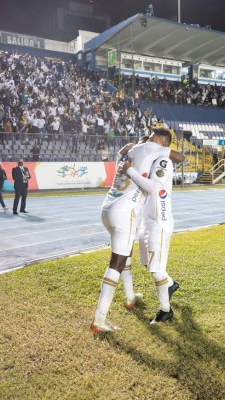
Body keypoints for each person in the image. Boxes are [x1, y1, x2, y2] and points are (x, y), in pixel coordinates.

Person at [90, 127, 185, 333]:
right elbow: (180, 156)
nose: (147, 141)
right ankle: (99, 319)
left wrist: (127, 160)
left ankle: (132, 297)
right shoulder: (151, 151)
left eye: (151, 139)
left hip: (108, 209)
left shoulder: (129, 153)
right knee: (118, 262)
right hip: (125, 213)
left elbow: (153, 179)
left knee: (128, 256)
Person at [121, 152, 179, 324]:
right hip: (147, 222)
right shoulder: (148, 163)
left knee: (156, 268)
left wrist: (130, 171)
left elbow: (153, 187)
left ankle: (165, 311)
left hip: (158, 223)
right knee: (147, 263)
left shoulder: (162, 161)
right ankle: (170, 284)